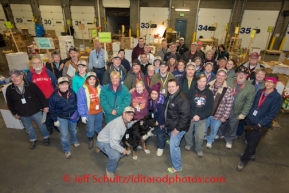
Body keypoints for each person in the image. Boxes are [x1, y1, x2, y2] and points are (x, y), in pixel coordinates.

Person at [236, 73, 282, 172]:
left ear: (275, 84)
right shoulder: (260, 92)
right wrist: (248, 117)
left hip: (261, 125)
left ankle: (244, 160)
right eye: (267, 81)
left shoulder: (277, 98)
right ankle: (251, 153)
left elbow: (272, 114)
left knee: (252, 143)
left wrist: (260, 124)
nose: (269, 84)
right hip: (251, 120)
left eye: (271, 82)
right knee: (248, 138)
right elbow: (253, 104)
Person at [6, 69, 50, 149]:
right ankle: (33, 139)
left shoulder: (31, 85)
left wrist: (45, 106)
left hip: (35, 110)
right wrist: (14, 112)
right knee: (28, 128)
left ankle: (46, 137)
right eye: (12, 77)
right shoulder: (9, 89)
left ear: (22, 76)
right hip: (23, 113)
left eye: (16, 76)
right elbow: (10, 102)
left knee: (42, 125)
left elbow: (41, 96)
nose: (15, 79)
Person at [217, 66, 255, 149]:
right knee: (222, 122)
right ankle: (220, 134)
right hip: (225, 107)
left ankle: (229, 139)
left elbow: (249, 102)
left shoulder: (250, 88)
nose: (241, 76)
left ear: (247, 76)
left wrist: (243, 113)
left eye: (244, 74)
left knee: (232, 126)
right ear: (236, 74)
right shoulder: (228, 81)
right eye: (239, 74)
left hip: (236, 110)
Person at [97, 106, 135, 179]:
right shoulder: (117, 125)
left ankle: (101, 148)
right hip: (104, 142)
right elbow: (113, 144)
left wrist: (138, 121)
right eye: (128, 114)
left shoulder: (124, 120)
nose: (130, 116)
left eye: (132, 115)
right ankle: (109, 170)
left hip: (112, 139)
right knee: (116, 156)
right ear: (124, 114)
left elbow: (130, 124)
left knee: (121, 153)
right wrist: (122, 150)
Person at [49, 77, 80, 158]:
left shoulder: (72, 92)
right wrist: (55, 120)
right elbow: (51, 109)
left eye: (66, 84)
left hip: (72, 116)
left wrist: (78, 114)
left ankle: (74, 141)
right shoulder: (53, 96)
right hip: (61, 118)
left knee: (73, 130)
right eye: (62, 84)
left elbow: (77, 103)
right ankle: (66, 150)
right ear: (58, 86)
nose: (64, 86)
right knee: (64, 135)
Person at [26, 57, 57, 135]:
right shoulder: (29, 76)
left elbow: (54, 82)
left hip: (51, 96)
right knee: (45, 114)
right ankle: (49, 127)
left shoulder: (48, 72)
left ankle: (56, 125)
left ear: (42, 64)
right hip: (39, 99)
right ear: (32, 65)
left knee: (53, 111)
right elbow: (28, 89)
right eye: (34, 63)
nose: (37, 65)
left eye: (39, 63)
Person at [185, 74, 214, 158]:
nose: (201, 83)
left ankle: (198, 148)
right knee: (188, 132)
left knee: (200, 136)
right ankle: (188, 144)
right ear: (197, 81)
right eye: (200, 81)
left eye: (204, 81)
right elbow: (187, 104)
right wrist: (193, 115)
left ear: (206, 82)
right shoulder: (191, 91)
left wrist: (199, 116)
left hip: (202, 118)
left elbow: (209, 108)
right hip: (191, 116)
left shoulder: (209, 93)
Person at [165, 79, 190, 173]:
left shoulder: (182, 99)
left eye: (172, 86)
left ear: (177, 87)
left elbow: (185, 116)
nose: (170, 88)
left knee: (173, 147)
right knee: (173, 143)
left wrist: (177, 129)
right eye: (169, 86)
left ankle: (177, 167)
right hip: (173, 125)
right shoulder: (172, 95)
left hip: (178, 127)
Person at [205, 69, 233, 148]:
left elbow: (229, 104)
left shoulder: (228, 89)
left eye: (222, 76)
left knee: (214, 131)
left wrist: (224, 116)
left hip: (218, 115)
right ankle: (204, 137)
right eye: (219, 75)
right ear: (216, 75)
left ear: (225, 77)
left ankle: (210, 141)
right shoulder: (208, 85)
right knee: (204, 128)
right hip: (206, 114)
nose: (220, 77)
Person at [236, 68, 266, 138]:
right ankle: (238, 133)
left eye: (262, 74)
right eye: (258, 74)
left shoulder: (265, 85)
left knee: (251, 122)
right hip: (246, 104)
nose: (260, 76)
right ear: (255, 74)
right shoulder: (248, 82)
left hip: (257, 107)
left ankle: (249, 137)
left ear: (265, 76)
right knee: (242, 120)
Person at [77, 72, 103, 149]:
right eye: (90, 79)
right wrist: (83, 115)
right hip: (89, 113)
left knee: (99, 126)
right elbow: (80, 103)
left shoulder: (100, 88)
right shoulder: (82, 90)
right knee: (90, 128)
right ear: (87, 80)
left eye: (94, 79)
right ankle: (90, 138)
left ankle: (100, 137)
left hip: (99, 112)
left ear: (96, 80)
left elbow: (104, 98)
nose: (92, 81)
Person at [149, 83, 167, 156]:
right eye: (152, 93)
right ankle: (155, 132)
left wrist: (162, 124)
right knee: (156, 128)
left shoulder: (160, 102)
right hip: (155, 116)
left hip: (161, 118)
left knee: (161, 134)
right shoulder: (151, 100)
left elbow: (162, 115)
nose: (153, 95)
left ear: (158, 94)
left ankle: (160, 147)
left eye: (155, 94)